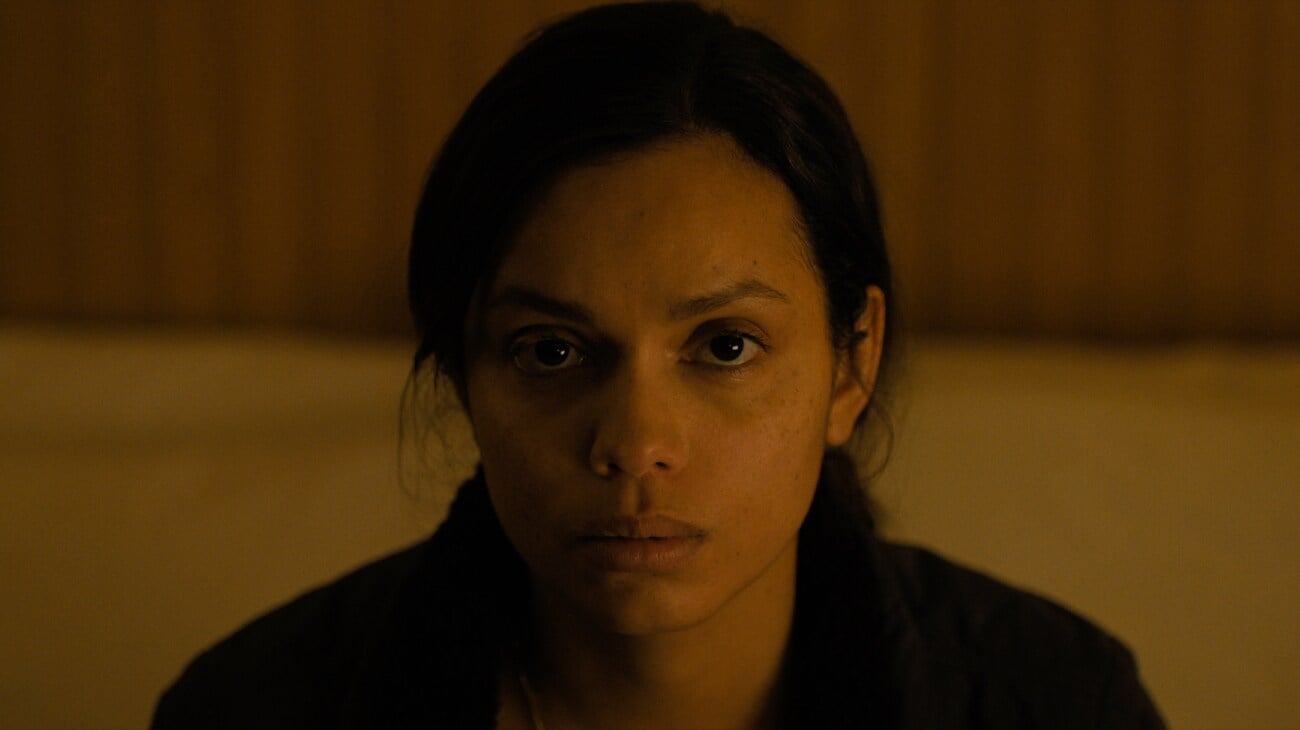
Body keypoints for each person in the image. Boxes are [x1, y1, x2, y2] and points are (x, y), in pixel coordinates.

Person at [152, 3, 1165, 728]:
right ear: (464, 372)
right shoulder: (259, 703)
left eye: (724, 346)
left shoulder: (1051, 697)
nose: (634, 443)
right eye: (550, 351)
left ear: (850, 366)